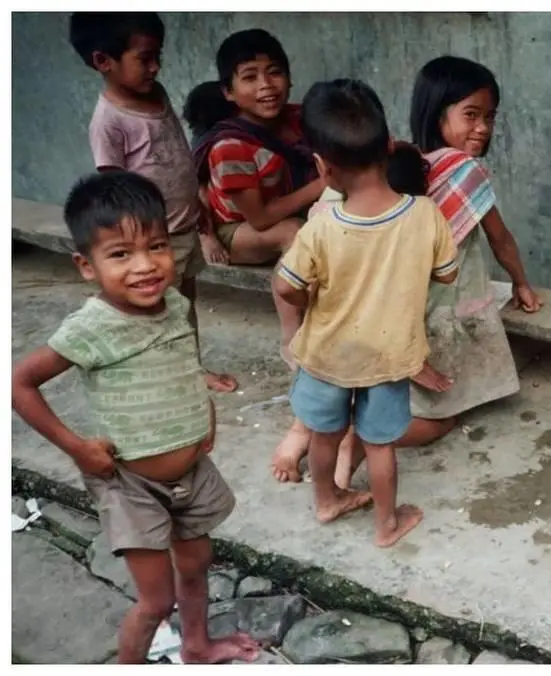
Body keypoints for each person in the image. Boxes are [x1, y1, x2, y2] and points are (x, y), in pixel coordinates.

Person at [11, 171, 259, 664]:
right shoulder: (93, 326)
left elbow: (180, 358)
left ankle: (196, 645)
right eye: (121, 254)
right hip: (131, 484)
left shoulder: (174, 303)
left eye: (157, 246)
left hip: (192, 474)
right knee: (155, 600)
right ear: (87, 266)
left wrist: (203, 410)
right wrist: (77, 448)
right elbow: (20, 383)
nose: (145, 266)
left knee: (197, 565)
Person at [271, 55, 544, 485]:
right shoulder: (460, 172)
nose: (483, 128)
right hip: (418, 327)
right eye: (471, 115)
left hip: (351, 324)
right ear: (436, 114)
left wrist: (296, 330)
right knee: (440, 418)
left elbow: (297, 275)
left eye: (490, 117)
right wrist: (521, 284)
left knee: (334, 384)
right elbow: (500, 237)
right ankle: (358, 437)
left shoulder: (379, 170)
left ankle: (303, 433)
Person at [271, 78, 458, 547]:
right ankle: (386, 525)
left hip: (326, 355)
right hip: (389, 357)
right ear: (390, 145)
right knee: (379, 445)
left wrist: (309, 302)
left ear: (323, 168)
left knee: (324, 434)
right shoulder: (425, 214)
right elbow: (447, 274)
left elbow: (285, 286)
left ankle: (327, 500)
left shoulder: (320, 228)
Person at [69, 11, 237, 393]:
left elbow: (176, 155)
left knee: (184, 305)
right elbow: (115, 190)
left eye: (157, 55)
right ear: (103, 61)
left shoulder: (156, 94)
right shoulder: (108, 121)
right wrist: (136, 246)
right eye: (144, 58)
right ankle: (166, 373)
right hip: (155, 240)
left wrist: (198, 205)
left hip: (184, 227)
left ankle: (191, 367)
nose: (156, 66)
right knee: (157, 312)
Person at [189, 28, 324, 367]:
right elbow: (261, 218)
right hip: (237, 230)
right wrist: (323, 184)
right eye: (250, 77)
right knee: (293, 233)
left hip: (291, 210)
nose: (266, 85)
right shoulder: (230, 146)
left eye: (274, 72)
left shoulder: (299, 119)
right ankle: (292, 337)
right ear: (229, 92)